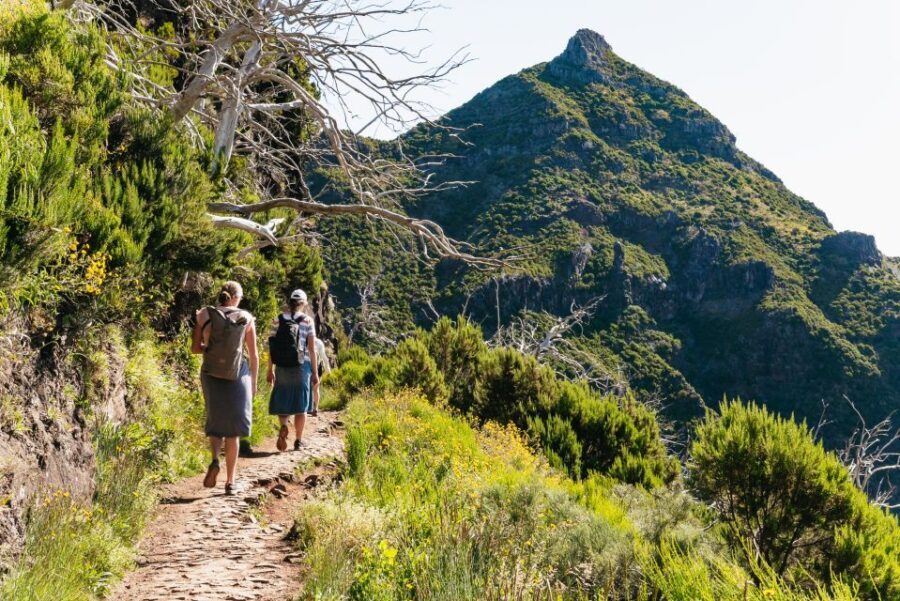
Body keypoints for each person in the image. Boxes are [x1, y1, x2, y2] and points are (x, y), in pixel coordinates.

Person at [191, 281, 258, 496]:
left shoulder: (204, 314)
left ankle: (214, 459)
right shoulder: (245, 317)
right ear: (236, 298)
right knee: (233, 431)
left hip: (211, 374)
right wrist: (254, 383)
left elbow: (195, 348)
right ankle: (230, 481)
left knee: (216, 421)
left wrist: (210, 348)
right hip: (237, 375)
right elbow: (254, 355)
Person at [266, 289, 318, 451]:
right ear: (304, 303)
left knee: (283, 400)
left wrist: (270, 369)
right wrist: (315, 372)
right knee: (301, 406)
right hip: (302, 366)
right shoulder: (308, 321)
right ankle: (298, 440)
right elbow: (312, 349)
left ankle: (283, 425)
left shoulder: (277, 319)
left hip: (282, 366)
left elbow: (272, 347)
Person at [309, 336, 331, 417]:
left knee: (307, 388)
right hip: (318, 368)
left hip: (307, 366)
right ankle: (315, 408)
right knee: (316, 388)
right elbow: (324, 357)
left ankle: (308, 407)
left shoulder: (305, 340)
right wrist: (328, 369)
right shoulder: (319, 342)